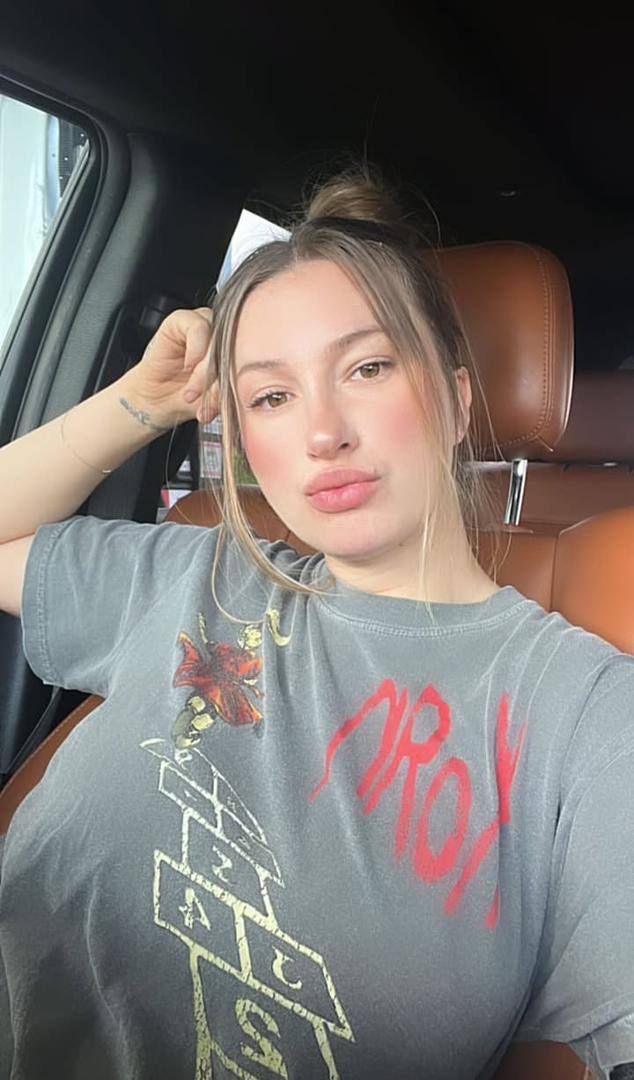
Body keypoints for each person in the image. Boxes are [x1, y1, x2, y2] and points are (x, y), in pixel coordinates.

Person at [0, 164, 633, 1080]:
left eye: (368, 368)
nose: (321, 433)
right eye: (270, 396)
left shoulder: (587, 715)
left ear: (458, 400)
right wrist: (141, 402)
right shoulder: (196, 574)